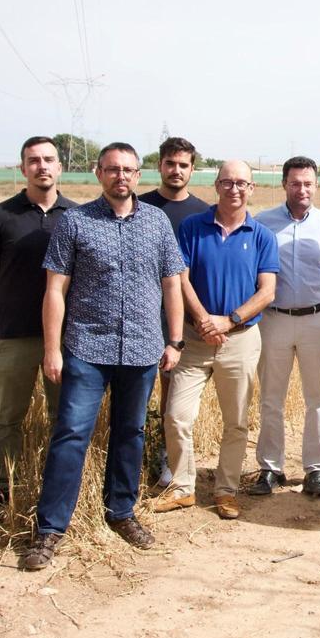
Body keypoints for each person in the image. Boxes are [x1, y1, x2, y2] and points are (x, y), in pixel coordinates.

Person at [22, 142, 186, 570]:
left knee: (130, 432)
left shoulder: (157, 223)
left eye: (129, 170)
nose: (121, 177)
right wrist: (53, 349)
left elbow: (172, 284)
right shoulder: (75, 223)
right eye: (113, 169)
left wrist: (174, 341)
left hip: (141, 348)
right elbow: (54, 289)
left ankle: (121, 512)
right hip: (86, 349)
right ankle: (49, 530)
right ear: (99, 173)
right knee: (71, 433)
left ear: (138, 175)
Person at [155, 161, 279, 520]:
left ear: (252, 189)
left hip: (240, 339)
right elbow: (181, 278)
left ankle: (226, 490)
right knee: (177, 415)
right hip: (195, 341)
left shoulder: (261, 236)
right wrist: (203, 320)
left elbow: (267, 290)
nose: (234, 189)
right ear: (216, 185)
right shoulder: (193, 228)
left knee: (236, 421)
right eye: (227, 182)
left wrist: (230, 320)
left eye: (241, 183)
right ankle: (182, 486)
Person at [0, 136, 76, 511]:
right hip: (13, 334)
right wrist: (14, 301)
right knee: (7, 417)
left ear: (60, 168)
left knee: (62, 417)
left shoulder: (78, 215)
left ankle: (56, 486)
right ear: (23, 168)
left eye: (49, 159)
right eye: (34, 160)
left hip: (66, 338)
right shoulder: (1, 215)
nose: (42, 166)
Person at [251, 157, 320, 499]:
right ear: (284, 184)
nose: (302, 189)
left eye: (308, 183)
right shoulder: (262, 224)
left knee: (319, 397)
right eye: (296, 183)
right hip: (275, 319)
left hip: (319, 319)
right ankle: (271, 468)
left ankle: (316, 469)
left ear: (316, 186)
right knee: (272, 397)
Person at [138, 137, 210, 488]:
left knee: (171, 395)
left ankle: (165, 458)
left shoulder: (202, 213)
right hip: (139, 318)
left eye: (183, 165)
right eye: (170, 163)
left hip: (178, 323)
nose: (176, 170)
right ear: (160, 166)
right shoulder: (139, 206)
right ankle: (135, 458)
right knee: (134, 395)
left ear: (192, 169)